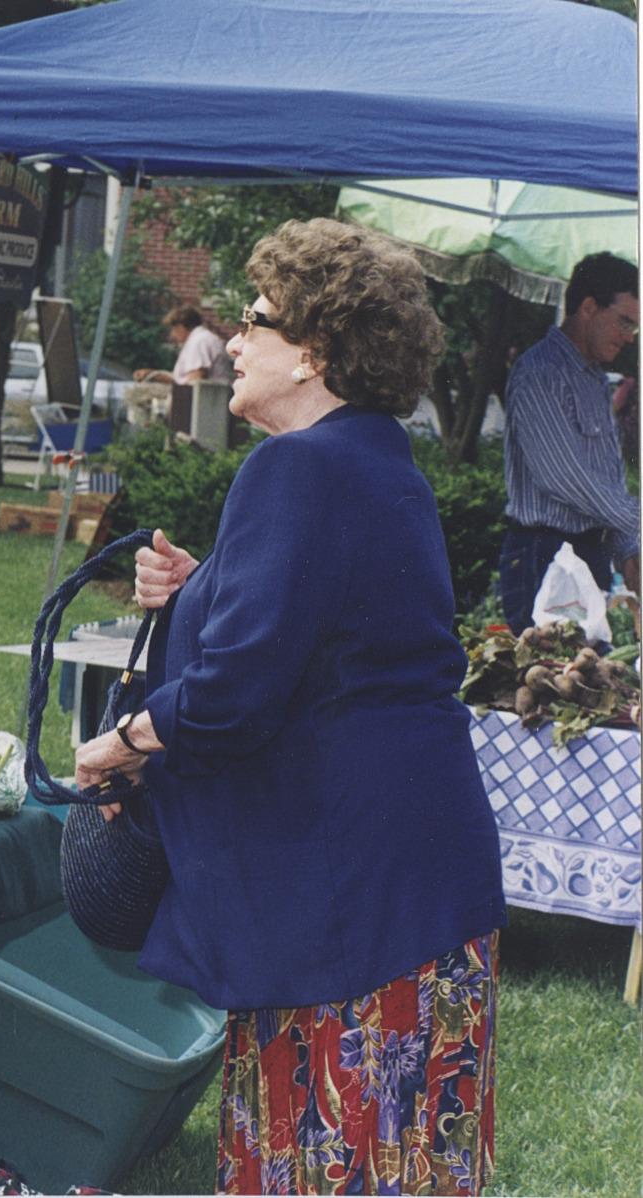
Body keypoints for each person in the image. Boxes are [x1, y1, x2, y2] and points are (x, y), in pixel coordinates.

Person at [75, 219, 506, 1196]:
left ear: (313, 349)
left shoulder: (294, 468)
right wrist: (201, 585)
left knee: (332, 1167)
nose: (232, 338)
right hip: (409, 884)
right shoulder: (375, 458)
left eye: (256, 320)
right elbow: (335, 629)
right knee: (404, 1164)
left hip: (346, 904)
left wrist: (122, 740)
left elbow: (233, 695)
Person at [498, 251, 640, 631]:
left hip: (588, 550)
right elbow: (565, 477)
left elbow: (607, 479)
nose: (630, 338)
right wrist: (636, 519)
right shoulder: (539, 373)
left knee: (591, 676)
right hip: (542, 553)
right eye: (624, 323)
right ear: (589, 307)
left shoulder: (594, 378)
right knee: (550, 676)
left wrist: (630, 550)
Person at [132, 305, 230, 386]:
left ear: (181, 326)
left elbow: (195, 380)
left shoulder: (199, 342)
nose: (172, 335)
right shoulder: (201, 338)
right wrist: (153, 375)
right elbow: (181, 380)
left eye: (173, 329)